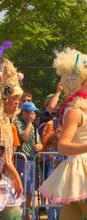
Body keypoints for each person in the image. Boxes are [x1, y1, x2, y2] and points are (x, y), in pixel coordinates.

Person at [39, 48, 87, 220]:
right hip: (82, 173)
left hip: (82, 171)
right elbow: (63, 146)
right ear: (80, 83)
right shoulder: (74, 112)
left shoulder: (82, 111)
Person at [0, 58, 24, 219]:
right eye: (13, 98)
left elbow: (6, 158)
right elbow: (3, 157)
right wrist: (16, 178)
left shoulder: (6, 121)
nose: (17, 102)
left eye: (18, 98)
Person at [15, 101, 43, 219]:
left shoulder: (33, 124)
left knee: (31, 189)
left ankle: (27, 214)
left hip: (32, 160)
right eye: (31, 112)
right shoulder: (18, 122)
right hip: (22, 160)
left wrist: (40, 146)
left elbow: (39, 141)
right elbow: (24, 137)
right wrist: (30, 123)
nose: (34, 115)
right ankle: (21, 214)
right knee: (23, 188)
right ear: (24, 112)